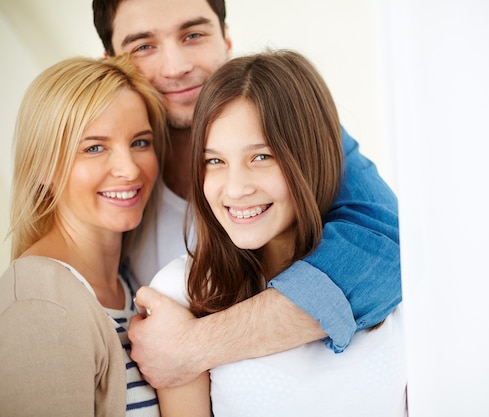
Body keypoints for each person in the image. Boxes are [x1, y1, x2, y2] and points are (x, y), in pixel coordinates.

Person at [92, 0, 402, 388]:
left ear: (226, 39)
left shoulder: (299, 135)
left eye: (193, 35)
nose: (176, 67)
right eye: (143, 47)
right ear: (111, 63)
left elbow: (387, 252)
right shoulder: (108, 173)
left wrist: (194, 344)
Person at [151, 49, 407, 416]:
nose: (235, 188)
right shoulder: (181, 291)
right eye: (215, 161)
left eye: (261, 157)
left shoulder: (388, 280)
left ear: (310, 156)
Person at [0, 56, 171, 416]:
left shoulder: (128, 281)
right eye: (94, 147)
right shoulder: (40, 305)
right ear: (43, 166)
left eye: (140, 142)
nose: (128, 169)